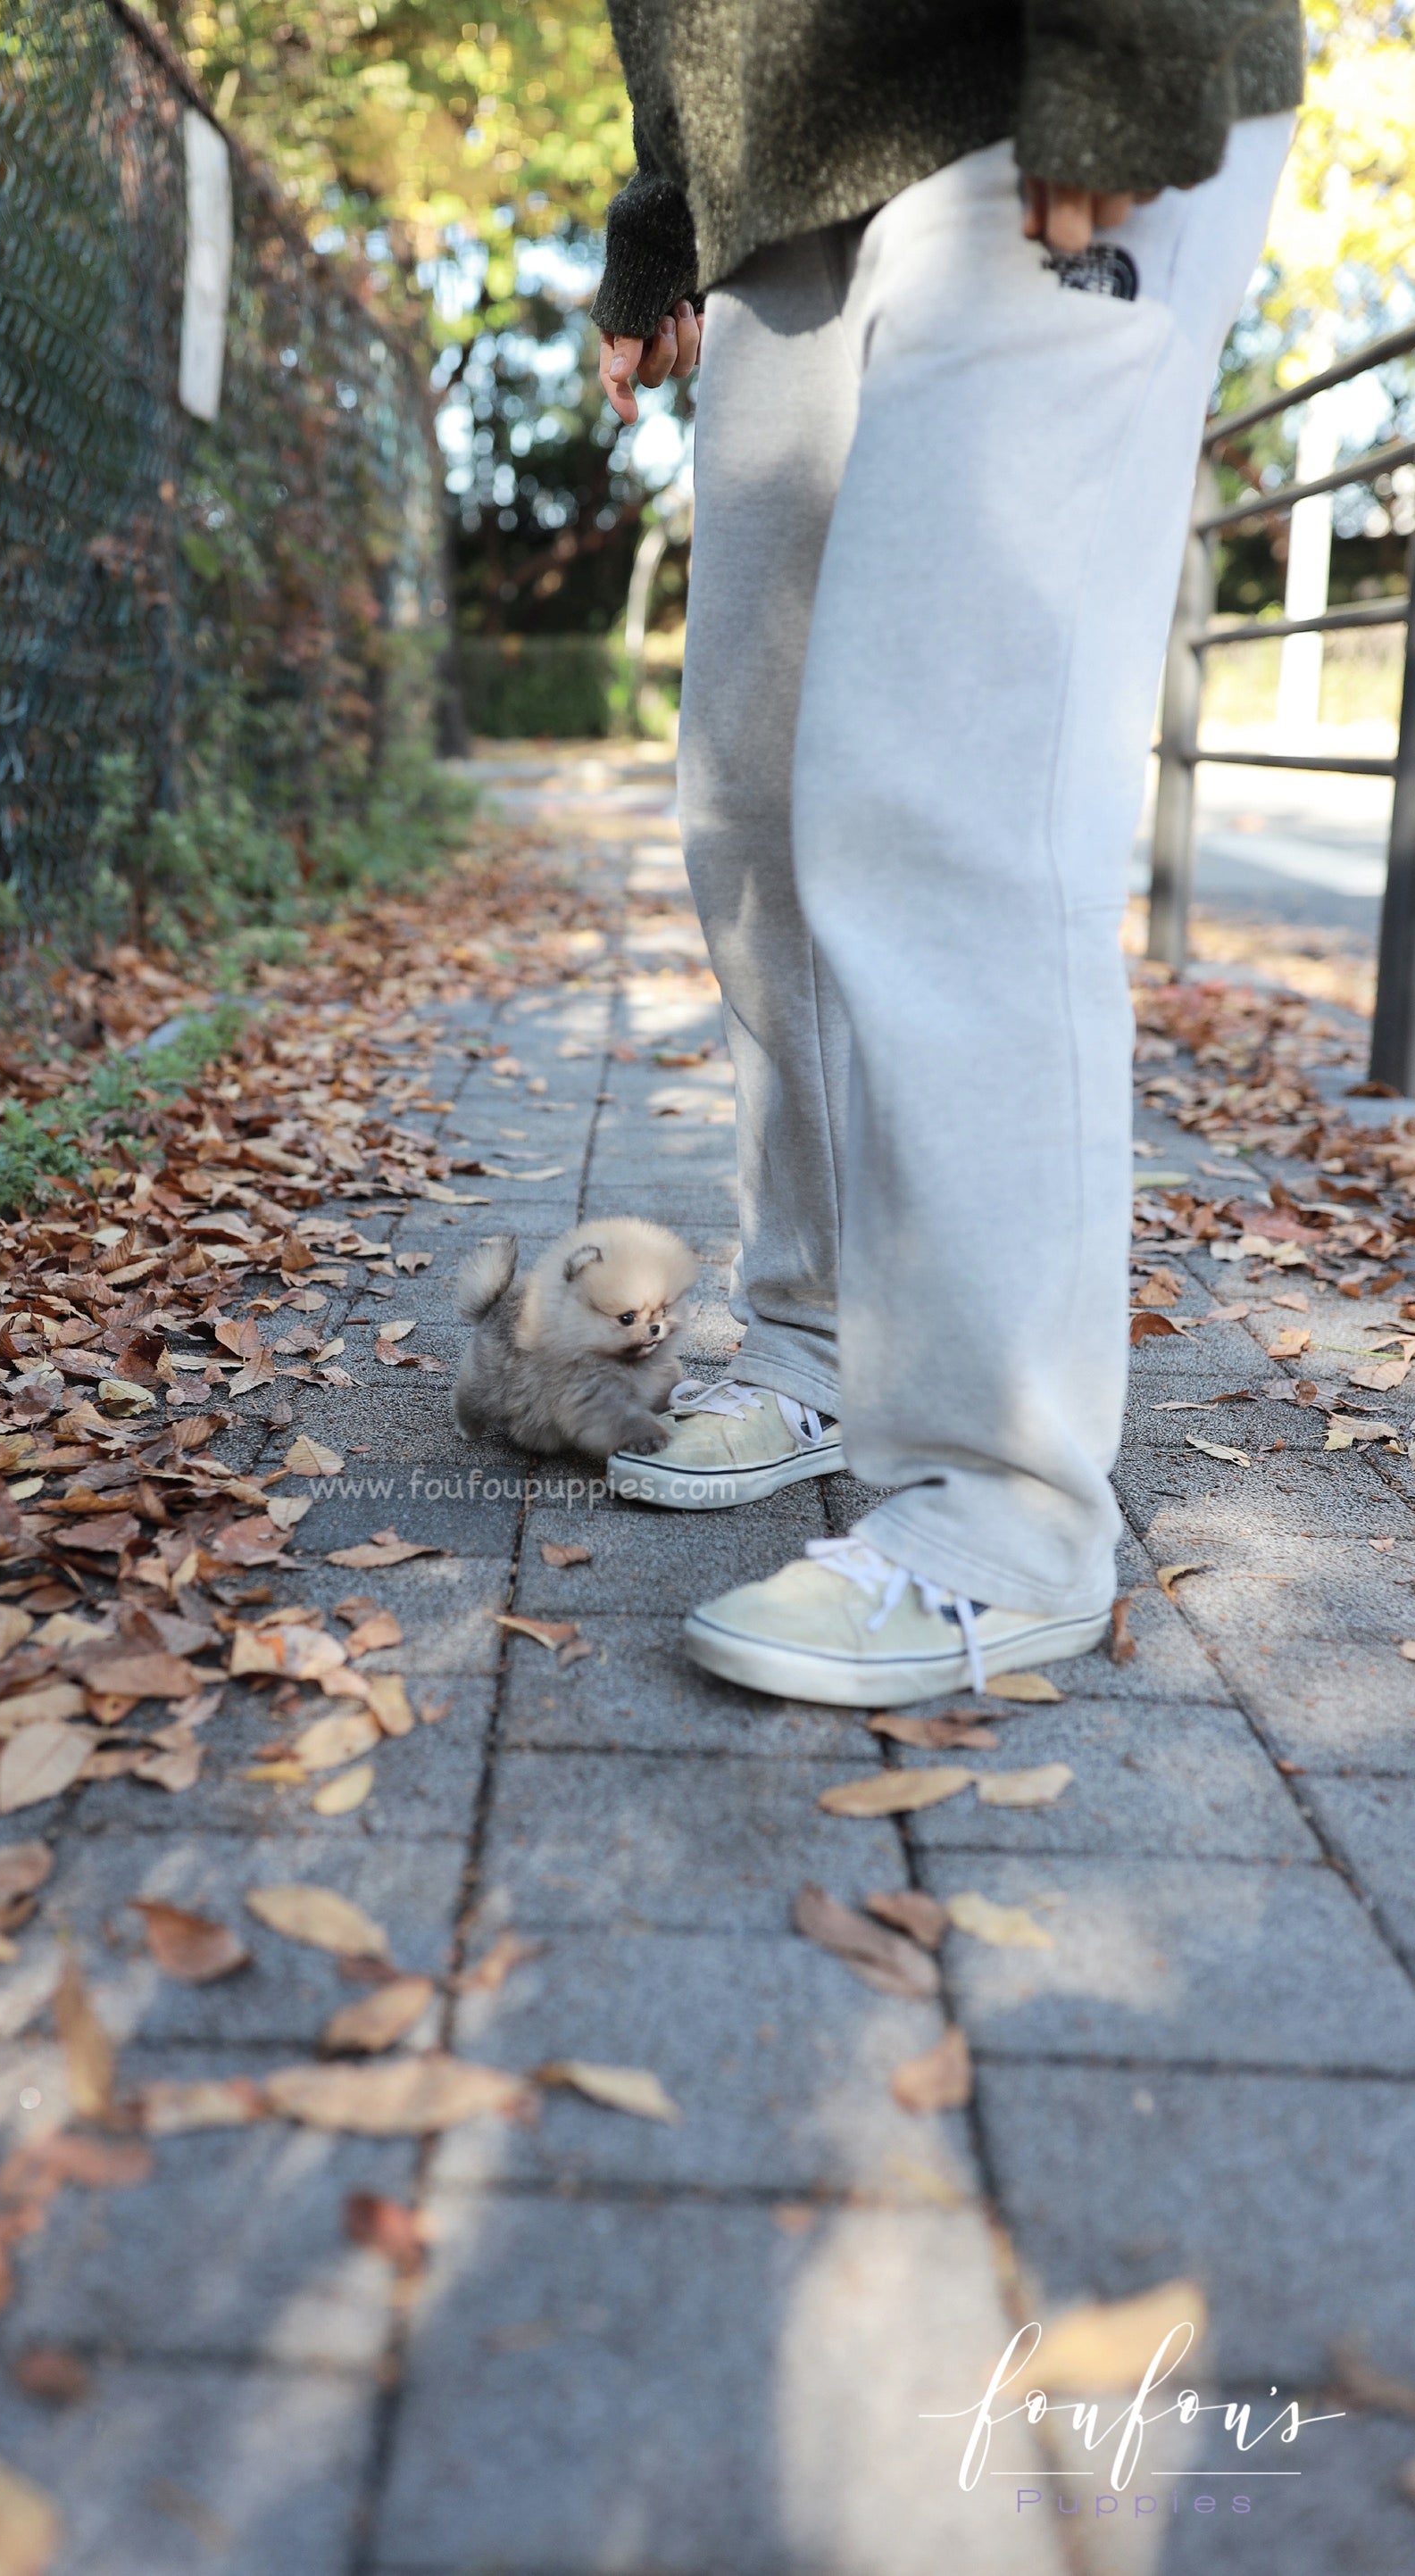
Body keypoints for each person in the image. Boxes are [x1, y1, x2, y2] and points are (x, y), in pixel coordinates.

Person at [589, 0, 1304, 1707]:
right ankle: (818, 1330)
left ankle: (1009, 1499)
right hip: (789, 164)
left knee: (945, 784)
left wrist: (1131, 45)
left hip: (1031, 80)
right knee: (751, 808)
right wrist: (659, 223)